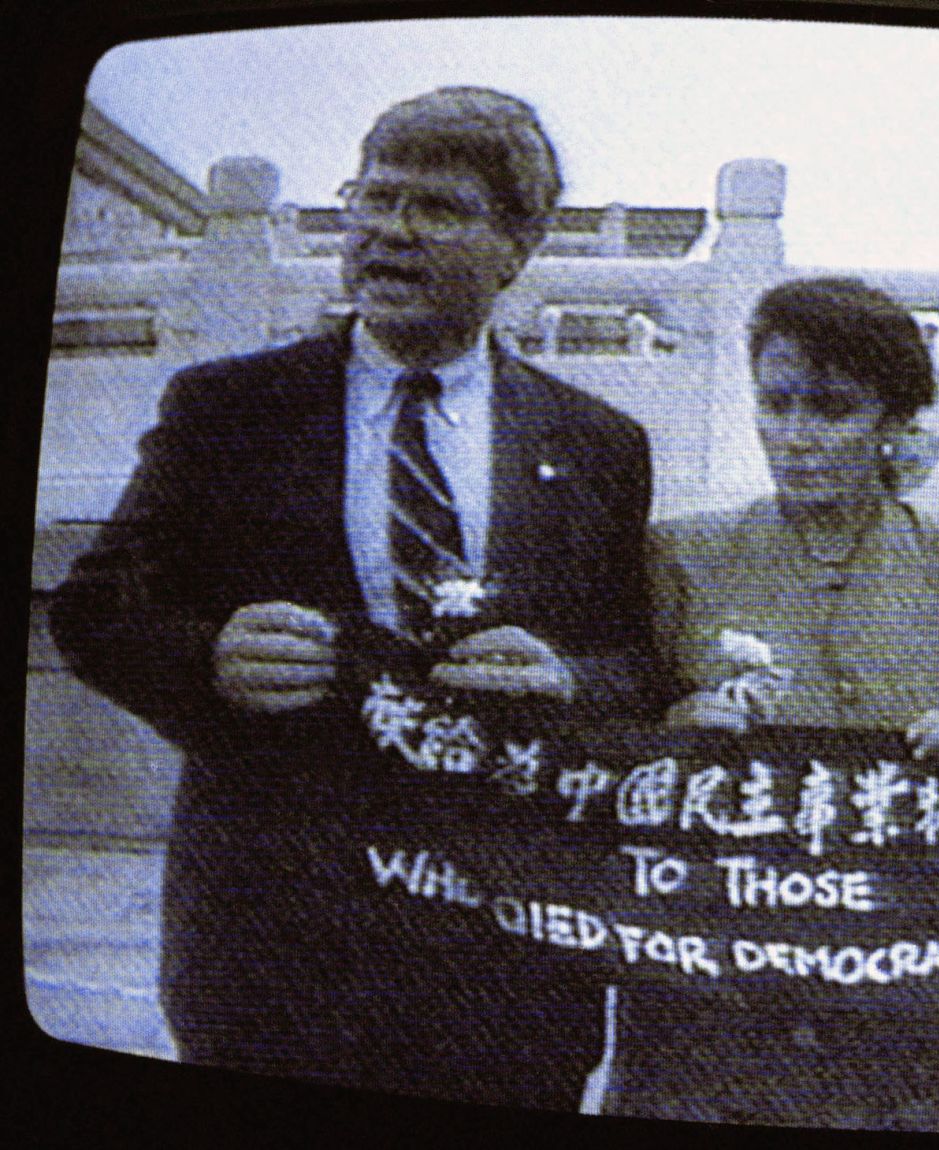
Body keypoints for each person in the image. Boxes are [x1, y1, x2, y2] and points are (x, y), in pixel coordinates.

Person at [49, 87, 654, 1108]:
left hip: (501, 957)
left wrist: (566, 678)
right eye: (375, 199)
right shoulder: (229, 409)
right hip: (275, 945)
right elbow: (92, 609)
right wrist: (208, 657)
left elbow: (638, 660)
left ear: (517, 245)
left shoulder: (597, 444)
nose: (390, 234)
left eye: (439, 209)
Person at [608, 277, 939, 1129]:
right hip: (703, 1003)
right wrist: (672, 734)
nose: (795, 437)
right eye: (777, 404)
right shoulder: (680, 557)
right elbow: (600, 760)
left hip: (890, 1005)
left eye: (833, 409)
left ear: (894, 422)